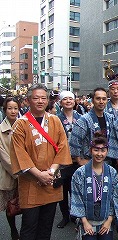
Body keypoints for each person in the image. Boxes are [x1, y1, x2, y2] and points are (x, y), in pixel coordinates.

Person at [10, 83, 72, 240]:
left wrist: (50, 172)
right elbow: (19, 153)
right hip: (31, 182)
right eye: (36, 98)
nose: (40, 101)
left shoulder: (55, 121)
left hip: (50, 182)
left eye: (43, 98)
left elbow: (63, 147)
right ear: (28, 100)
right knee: (29, 228)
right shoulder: (20, 123)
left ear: (48, 101)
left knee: (46, 227)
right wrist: (39, 175)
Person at [71, 131, 118, 240]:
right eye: (96, 150)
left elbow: (115, 198)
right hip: (87, 219)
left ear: (107, 152)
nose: (99, 154)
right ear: (91, 150)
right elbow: (76, 198)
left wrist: (109, 220)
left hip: (105, 218)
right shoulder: (80, 173)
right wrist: (84, 222)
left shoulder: (112, 172)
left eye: (103, 150)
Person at [56, 91, 82, 228]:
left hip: (77, 160)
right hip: (62, 161)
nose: (68, 101)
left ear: (75, 101)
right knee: (63, 190)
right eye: (65, 99)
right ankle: (65, 216)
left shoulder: (81, 117)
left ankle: (76, 215)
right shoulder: (56, 118)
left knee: (76, 189)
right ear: (60, 102)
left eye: (70, 99)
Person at [69, 88, 113, 167]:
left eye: (104, 99)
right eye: (98, 99)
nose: (101, 102)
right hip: (89, 161)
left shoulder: (110, 118)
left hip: (106, 161)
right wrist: (79, 160)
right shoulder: (84, 120)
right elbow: (74, 141)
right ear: (92, 100)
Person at [0, 97, 20, 240]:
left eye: (15, 108)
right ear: (5, 110)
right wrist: (18, 173)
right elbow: (4, 157)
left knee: (24, 204)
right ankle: (13, 230)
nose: (13, 111)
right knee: (10, 205)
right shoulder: (0, 130)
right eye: (10, 108)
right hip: (9, 173)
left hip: (25, 172)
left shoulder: (23, 125)